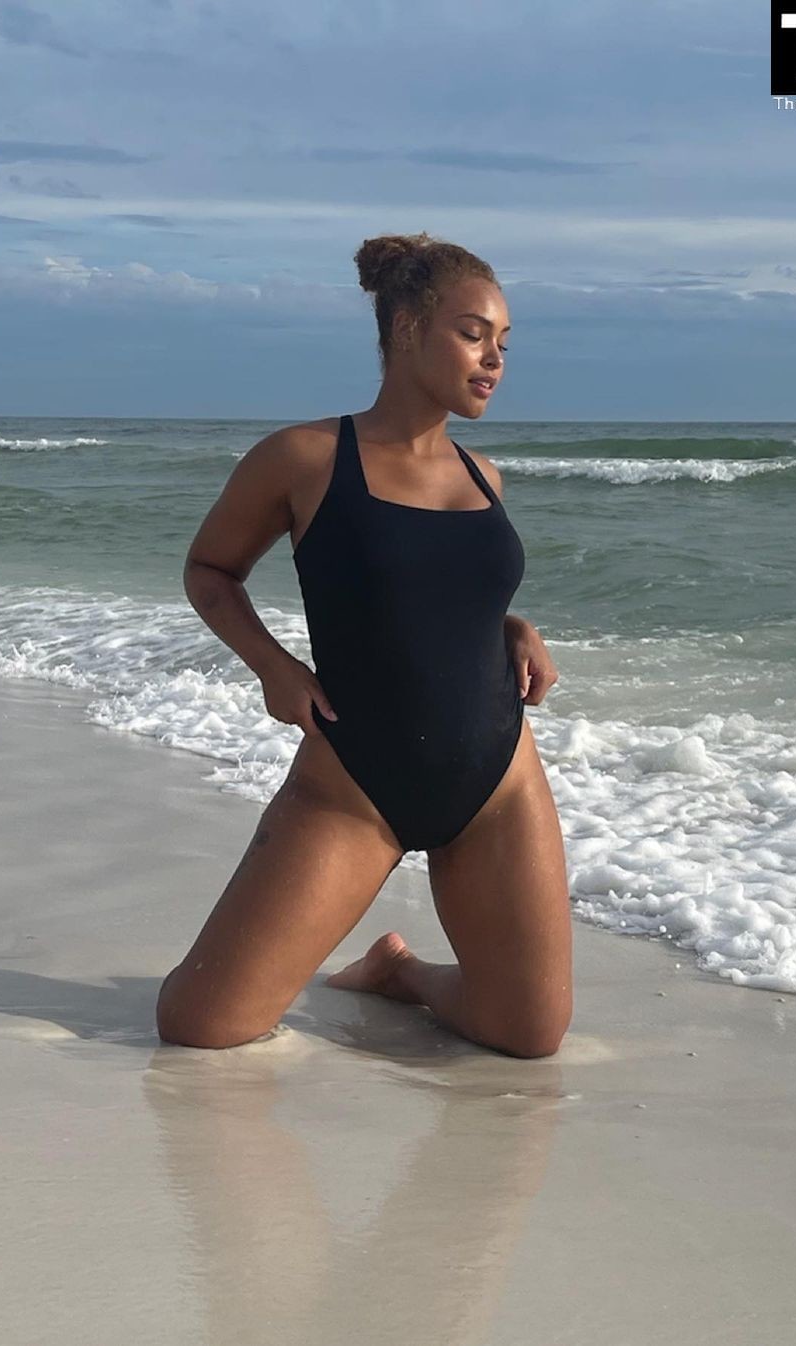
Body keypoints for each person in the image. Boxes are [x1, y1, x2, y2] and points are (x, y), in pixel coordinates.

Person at [156, 231, 573, 1058]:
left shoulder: (484, 476)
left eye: (503, 341)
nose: (494, 359)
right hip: (353, 783)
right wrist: (275, 668)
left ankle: (402, 973)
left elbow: (444, 592)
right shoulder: (305, 458)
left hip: (495, 779)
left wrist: (513, 626)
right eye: (473, 334)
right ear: (409, 328)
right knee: (200, 1027)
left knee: (529, 1034)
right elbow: (210, 570)